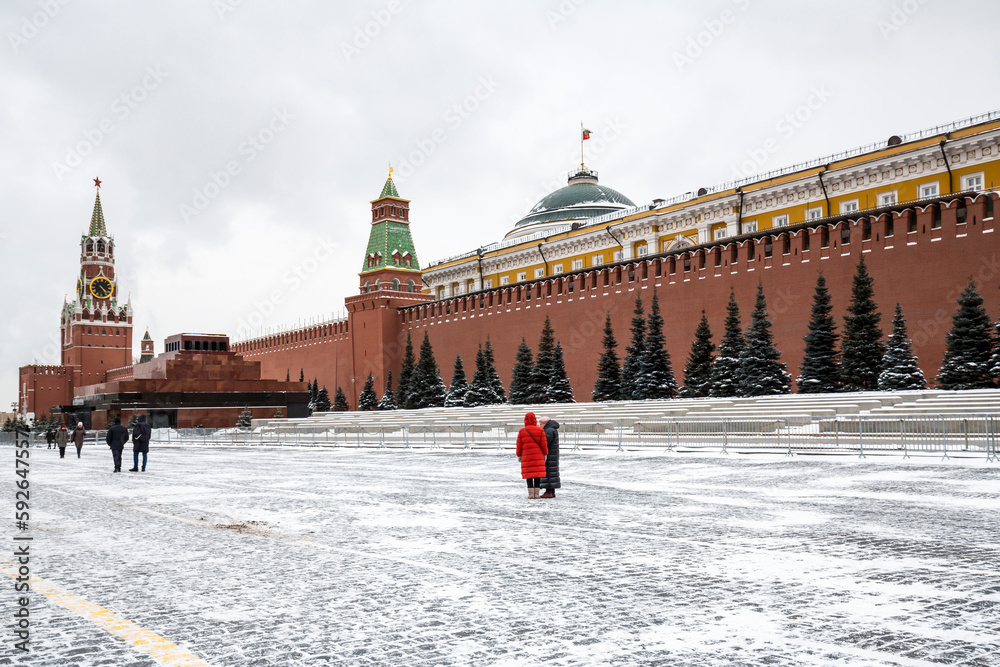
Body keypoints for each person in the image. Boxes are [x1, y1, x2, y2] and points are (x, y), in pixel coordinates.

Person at [515, 412, 548, 499]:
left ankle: (530, 494)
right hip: (538, 456)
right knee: (537, 475)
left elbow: (519, 445)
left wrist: (518, 455)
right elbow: (544, 444)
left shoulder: (522, 431)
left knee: (529, 475)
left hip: (526, 456)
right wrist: (545, 453)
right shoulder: (540, 430)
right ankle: (537, 494)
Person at [537, 416, 561, 498]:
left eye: (540, 424)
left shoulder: (548, 430)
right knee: (552, 473)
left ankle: (549, 491)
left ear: (544, 423)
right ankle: (551, 491)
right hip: (552, 454)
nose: (540, 426)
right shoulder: (551, 428)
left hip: (549, 454)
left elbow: (545, 442)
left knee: (549, 473)